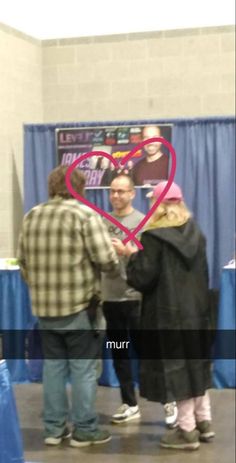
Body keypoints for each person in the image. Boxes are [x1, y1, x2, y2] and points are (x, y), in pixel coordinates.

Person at [17, 165, 119, 448]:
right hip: (80, 310)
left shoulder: (32, 216)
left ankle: (53, 429)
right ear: (80, 188)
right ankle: (85, 430)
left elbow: (22, 263)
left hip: (45, 310)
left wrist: (41, 287)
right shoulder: (86, 215)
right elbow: (107, 261)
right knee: (84, 369)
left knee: (53, 368)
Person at [112, 181, 215, 450]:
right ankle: (204, 421)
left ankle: (186, 431)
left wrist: (130, 256)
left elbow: (143, 279)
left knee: (177, 370)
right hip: (197, 312)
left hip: (168, 316)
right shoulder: (197, 233)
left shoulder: (154, 238)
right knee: (195, 366)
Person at [101, 174, 144, 423]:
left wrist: (127, 251)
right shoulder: (100, 221)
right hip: (111, 300)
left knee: (147, 351)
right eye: (112, 191)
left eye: (121, 191)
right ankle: (129, 403)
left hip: (136, 298)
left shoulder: (143, 221)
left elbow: (149, 260)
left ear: (132, 193)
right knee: (119, 353)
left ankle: (169, 401)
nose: (116, 196)